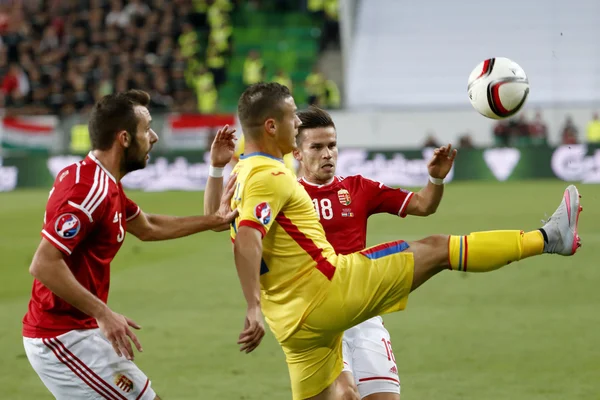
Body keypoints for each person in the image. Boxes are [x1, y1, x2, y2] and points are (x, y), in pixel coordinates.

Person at [210, 83, 583, 400]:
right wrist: (251, 305)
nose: (299, 125)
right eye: (293, 118)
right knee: (437, 249)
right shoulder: (273, 176)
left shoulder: (243, 172)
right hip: (329, 292)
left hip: (292, 323)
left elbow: (217, 220)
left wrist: (215, 169)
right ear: (274, 127)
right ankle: (549, 238)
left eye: (331, 145)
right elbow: (247, 239)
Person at [205, 105, 456, 400]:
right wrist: (216, 169)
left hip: (363, 312)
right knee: (345, 394)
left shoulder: (358, 188)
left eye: (332, 145)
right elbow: (218, 221)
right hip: (317, 316)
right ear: (297, 153)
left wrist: (436, 179)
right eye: (317, 147)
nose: (327, 154)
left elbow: (424, 205)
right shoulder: (280, 192)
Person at [22, 90, 238, 400]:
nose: (154, 137)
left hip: (79, 330)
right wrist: (104, 314)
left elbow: (147, 227)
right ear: (124, 138)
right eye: (146, 129)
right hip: (61, 337)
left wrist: (212, 221)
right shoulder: (88, 190)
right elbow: (43, 263)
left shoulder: (105, 183)